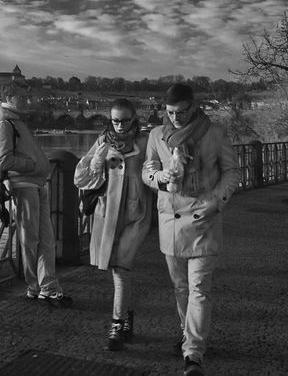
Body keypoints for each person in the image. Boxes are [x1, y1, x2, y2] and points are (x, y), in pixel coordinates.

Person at [143, 83, 240, 376]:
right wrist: (160, 176)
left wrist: (215, 202)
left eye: (182, 112)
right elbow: (147, 169)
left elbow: (232, 171)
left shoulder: (214, 133)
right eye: (170, 112)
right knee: (180, 287)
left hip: (204, 218)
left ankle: (194, 353)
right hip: (172, 220)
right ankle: (188, 337)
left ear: (194, 107)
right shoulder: (156, 135)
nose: (176, 118)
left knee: (199, 288)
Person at [74, 98, 152, 351]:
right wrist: (96, 163)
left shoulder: (145, 141)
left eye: (124, 120)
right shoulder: (102, 141)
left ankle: (117, 324)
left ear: (134, 118)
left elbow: (155, 172)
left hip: (135, 213)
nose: (119, 125)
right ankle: (127, 317)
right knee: (116, 268)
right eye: (115, 120)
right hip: (108, 212)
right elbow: (81, 177)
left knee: (121, 267)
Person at [0, 81, 73, 307]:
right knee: (31, 239)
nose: (27, 100)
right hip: (23, 184)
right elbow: (3, 160)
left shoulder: (18, 120)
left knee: (46, 239)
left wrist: (38, 168)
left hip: (37, 183)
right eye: (22, 96)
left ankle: (48, 287)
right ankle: (34, 286)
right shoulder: (5, 123)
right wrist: (33, 165)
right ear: (9, 96)